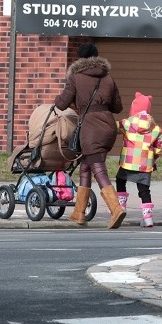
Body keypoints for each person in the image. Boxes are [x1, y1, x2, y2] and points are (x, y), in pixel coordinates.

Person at [54, 42, 126, 229]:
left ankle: (115, 208)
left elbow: (62, 104)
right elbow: (118, 107)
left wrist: (63, 99)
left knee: (98, 168)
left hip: (90, 128)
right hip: (108, 127)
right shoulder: (108, 78)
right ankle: (79, 212)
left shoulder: (76, 77)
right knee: (85, 167)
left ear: (80, 58)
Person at [116, 92, 162, 228]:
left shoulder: (127, 123)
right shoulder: (156, 129)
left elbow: (114, 127)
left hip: (128, 161)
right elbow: (158, 149)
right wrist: (154, 159)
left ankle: (121, 207)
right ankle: (148, 218)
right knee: (144, 190)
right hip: (144, 164)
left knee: (120, 180)